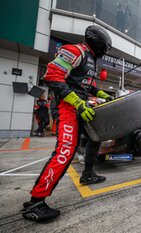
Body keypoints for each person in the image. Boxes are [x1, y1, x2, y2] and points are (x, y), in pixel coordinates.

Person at [22, 25, 114, 223]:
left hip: (82, 107)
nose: (106, 50)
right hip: (67, 107)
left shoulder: (90, 59)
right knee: (65, 152)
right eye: (106, 47)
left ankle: (88, 174)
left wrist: (101, 94)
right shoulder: (75, 50)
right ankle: (35, 202)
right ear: (99, 43)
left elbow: (86, 85)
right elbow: (52, 75)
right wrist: (78, 102)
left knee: (95, 137)